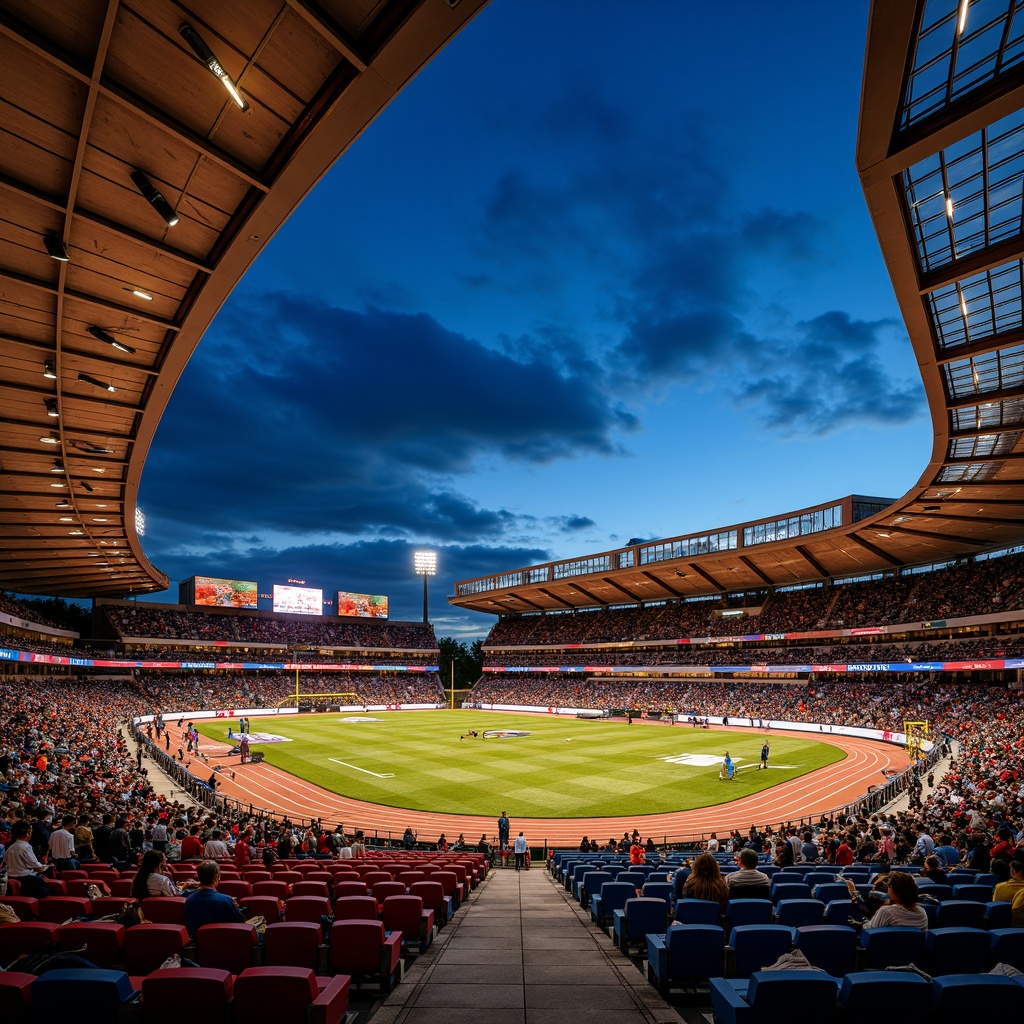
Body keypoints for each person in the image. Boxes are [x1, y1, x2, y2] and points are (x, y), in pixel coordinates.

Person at [184, 860, 248, 937]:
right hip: (226, 940)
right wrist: (237, 907)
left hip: (201, 942)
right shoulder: (226, 900)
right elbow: (241, 921)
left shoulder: (189, 900)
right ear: (217, 877)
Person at [851, 871, 928, 930]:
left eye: (889, 886)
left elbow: (867, 930)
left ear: (897, 892)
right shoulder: (922, 912)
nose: (887, 890)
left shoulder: (886, 912)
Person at [4, 820, 54, 898]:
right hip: (26, 879)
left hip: (12, 877)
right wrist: (46, 866)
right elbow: (38, 868)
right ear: (27, 834)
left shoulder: (10, 848)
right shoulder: (26, 847)